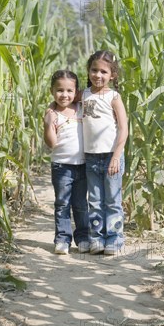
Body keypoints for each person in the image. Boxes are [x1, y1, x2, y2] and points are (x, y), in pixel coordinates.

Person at [82, 50, 128, 255]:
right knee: (94, 200)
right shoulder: (83, 94)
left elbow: (124, 128)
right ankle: (96, 238)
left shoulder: (114, 97)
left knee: (112, 200)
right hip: (91, 156)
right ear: (88, 70)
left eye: (103, 71)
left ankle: (115, 239)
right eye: (94, 70)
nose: (98, 75)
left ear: (113, 75)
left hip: (112, 157)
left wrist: (117, 156)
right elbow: (62, 102)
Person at [44, 70, 90, 255]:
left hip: (83, 164)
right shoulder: (52, 113)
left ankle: (83, 238)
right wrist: (48, 124)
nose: (65, 95)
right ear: (52, 91)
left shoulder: (81, 107)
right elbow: (52, 143)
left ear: (76, 91)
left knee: (80, 204)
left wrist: (79, 96)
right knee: (62, 203)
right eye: (59, 90)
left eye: (69, 91)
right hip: (61, 165)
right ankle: (62, 239)